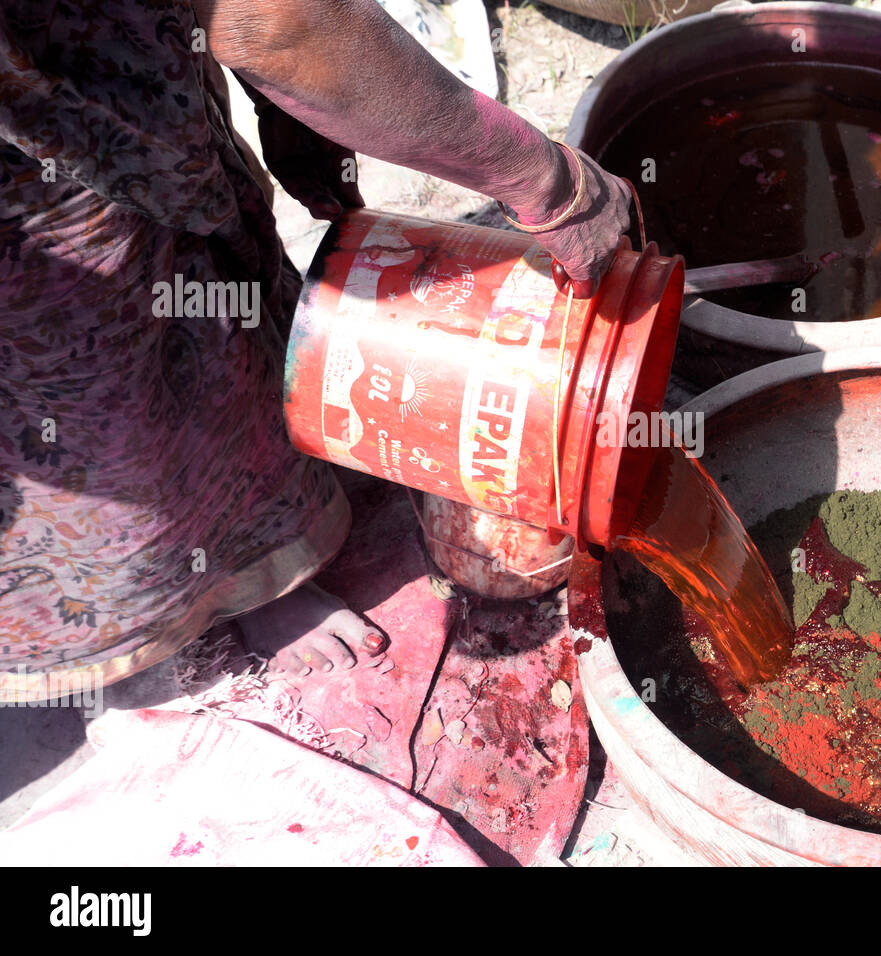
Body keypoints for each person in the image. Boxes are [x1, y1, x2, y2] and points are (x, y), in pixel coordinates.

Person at [0, 0, 632, 696]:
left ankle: (256, 545)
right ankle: (234, 581)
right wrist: (551, 184)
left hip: (98, 67)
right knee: (98, 374)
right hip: (35, 188)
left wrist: (290, 106)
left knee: (195, 303)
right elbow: (279, 19)